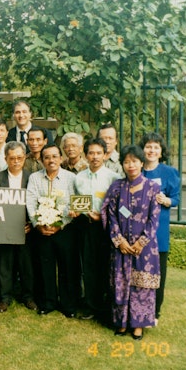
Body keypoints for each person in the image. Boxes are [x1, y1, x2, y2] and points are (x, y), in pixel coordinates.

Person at [101, 145, 161, 340]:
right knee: (121, 283)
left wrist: (140, 243)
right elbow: (110, 215)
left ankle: (139, 325)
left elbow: (154, 219)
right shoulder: (117, 187)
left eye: (134, 161)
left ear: (141, 163)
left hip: (145, 250)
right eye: (127, 162)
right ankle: (121, 323)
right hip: (121, 248)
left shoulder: (153, 188)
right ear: (123, 165)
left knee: (141, 285)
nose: (131, 165)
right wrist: (119, 241)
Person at [26, 144, 79, 318]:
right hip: (42, 230)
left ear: (60, 158)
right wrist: (38, 224)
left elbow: (73, 203)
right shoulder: (34, 178)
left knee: (67, 267)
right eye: (47, 157)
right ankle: (47, 302)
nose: (51, 160)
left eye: (55, 156)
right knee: (44, 267)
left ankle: (68, 304)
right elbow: (31, 201)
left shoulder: (71, 178)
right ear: (42, 160)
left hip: (64, 229)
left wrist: (60, 223)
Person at [70, 139, 119, 321]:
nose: (95, 157)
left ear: (105, 155)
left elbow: (116, 205)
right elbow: (75, 201)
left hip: (105, 227)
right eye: (91, 153)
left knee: (106, 266)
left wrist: (102, 217)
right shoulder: (79, 178)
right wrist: (75, 211)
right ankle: (90, 305)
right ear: (86, 154)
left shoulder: (112, 178)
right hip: (85, 226)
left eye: (99, 153)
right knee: (88, 266)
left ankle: (106, 307)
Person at [0, 141, 37, 312]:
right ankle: (4, 297)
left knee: (26, 265)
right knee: (4, 265)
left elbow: (38, 203)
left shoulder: (32, 178)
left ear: (24, 158)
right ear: (6, 158)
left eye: (20, 158)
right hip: (4, 231)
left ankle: (28, 296)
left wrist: (31, 223)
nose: (16, 161)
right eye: (12, 158)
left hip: (26, 230)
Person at [140, 132, 181, 324]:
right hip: (138, 229)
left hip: (159, 230)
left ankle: (155, 311)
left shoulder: (169, 172)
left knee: (158, 271)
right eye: (148, 146)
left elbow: (177, 199)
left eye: (156, 147)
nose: (151, 150)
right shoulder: (137, 170)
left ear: (161, 151)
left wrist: (167, 200)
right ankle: (138, 307)